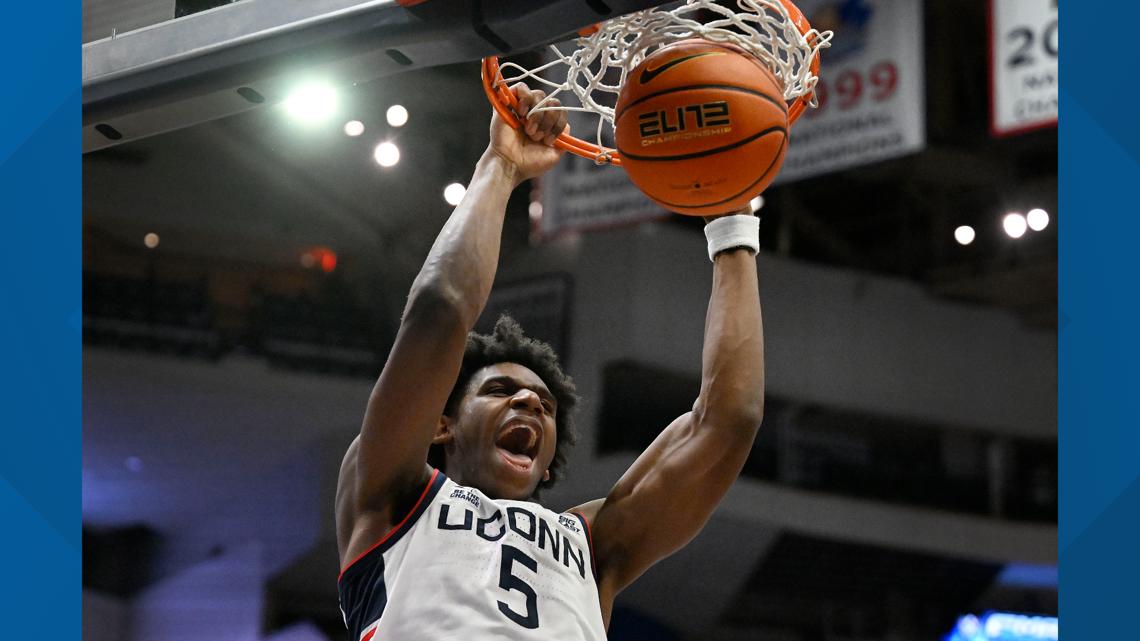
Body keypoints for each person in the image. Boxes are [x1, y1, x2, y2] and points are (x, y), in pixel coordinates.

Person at [335, 84, 765, 640]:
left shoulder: (591, 543)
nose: (530, 401)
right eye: (498, 390)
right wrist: (502, 166)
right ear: (441, 423)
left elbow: (729, 420)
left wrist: (731, 220)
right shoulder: (393, 496)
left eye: (544, 405)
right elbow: (440, 310)